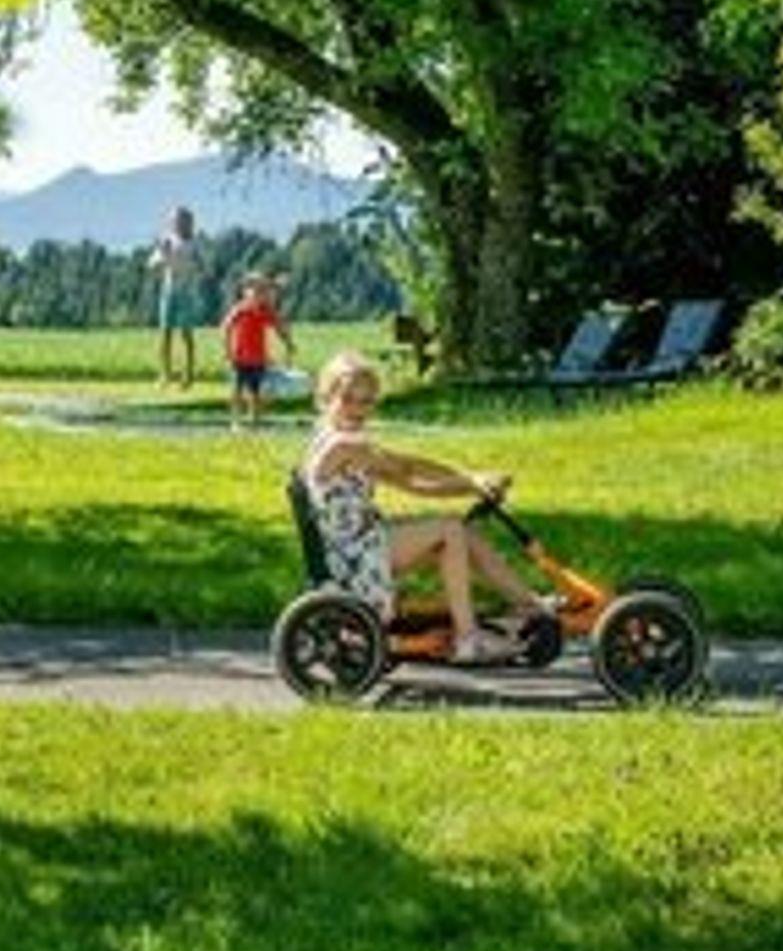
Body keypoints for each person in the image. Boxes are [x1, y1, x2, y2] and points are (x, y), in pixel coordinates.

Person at [301, 349, 543, 664]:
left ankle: (530, 605)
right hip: (356, 558)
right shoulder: (342, 445)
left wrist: (468, 485)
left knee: (461, 532)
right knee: (449, 530)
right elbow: (407, 467)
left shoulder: (341, 438)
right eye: (348, 399)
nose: (357, 409)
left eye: (366, 401)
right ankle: (469, 639)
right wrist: (471, 479)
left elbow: (410, 484)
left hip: (362, 545)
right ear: (326, 397)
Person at [221, 272, 295, 428]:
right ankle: (236, 421)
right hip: (239, 357)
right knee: (236, 390)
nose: (259, 295)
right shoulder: (240, 310)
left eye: (262, 291)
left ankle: (254, 421)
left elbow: (279, 327)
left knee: (255, 392)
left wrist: (288, 343)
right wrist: (227, 350)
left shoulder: (265, 311)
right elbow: (226, 327)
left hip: (257, 358)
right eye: (256, 291)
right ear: (245, 292)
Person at [148, 206, 199, 387]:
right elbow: (152, 265)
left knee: (186, 334)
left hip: (186, 292)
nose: (178, 223)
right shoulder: (167, 241)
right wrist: (162, 253)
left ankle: (188, 374)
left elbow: (198, 266)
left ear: (189, 222)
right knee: (165, 333)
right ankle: (165, 374)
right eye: (175, 220)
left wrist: (178, 259)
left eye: (182, 220)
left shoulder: (194, 244)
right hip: (168, 292)